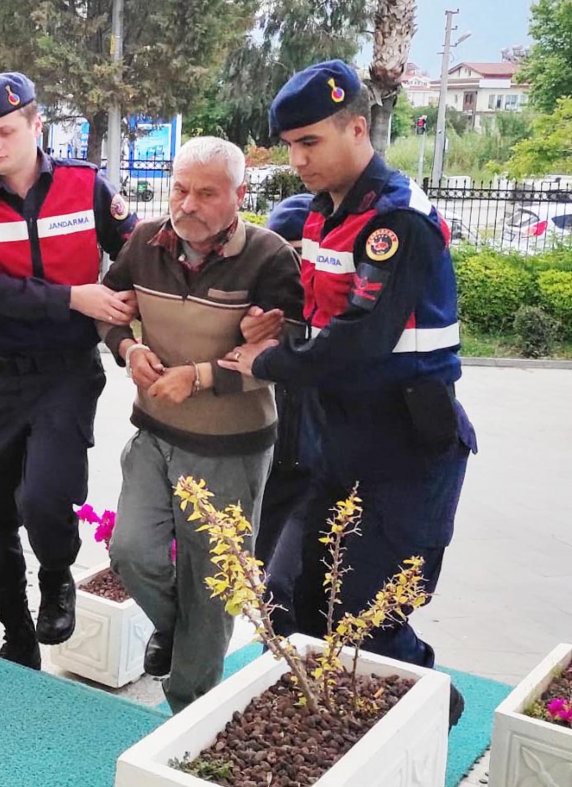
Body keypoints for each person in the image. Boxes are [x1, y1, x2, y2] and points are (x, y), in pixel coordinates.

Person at [220, 60, 477, 726]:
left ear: (356, 128)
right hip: (337, 445)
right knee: (284, 599)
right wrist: (276, 323)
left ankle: (427, 702)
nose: (296, 158)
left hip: (405, 452)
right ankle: (336, 721)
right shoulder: (323, 215)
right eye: (290, 144)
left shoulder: (397, 221)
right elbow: (324, 311)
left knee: (366, 616)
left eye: (310, 142)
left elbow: (362, 337)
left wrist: (270, 360)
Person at [0, 72, 137, 671]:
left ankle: (56, 576)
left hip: (65, 372)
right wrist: (74, 297)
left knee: (47, 496)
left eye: (5, 131)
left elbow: (136, 254)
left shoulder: (87, 187)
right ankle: (16, 629)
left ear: (35, 125)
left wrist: (131, 317)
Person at [97, 137, 304, 713]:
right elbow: (112, 313)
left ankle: (186, 717)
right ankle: (178, 631)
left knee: (214, 585)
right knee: (131, 551)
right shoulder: (143, 242)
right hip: (155, 433)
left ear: (240, 195)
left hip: (231, 448)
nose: (187, 204)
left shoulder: (269, 257)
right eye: (180, 189)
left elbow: (288, 355)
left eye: (206, 193)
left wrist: (201, 376)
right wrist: (128, 352)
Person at [254, 194, 326, 569]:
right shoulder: (256, 309)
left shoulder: (337, 319)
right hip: (266, 472)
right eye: (285, 254)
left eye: (304, 253)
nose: (295, 266)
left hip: (320, 475)